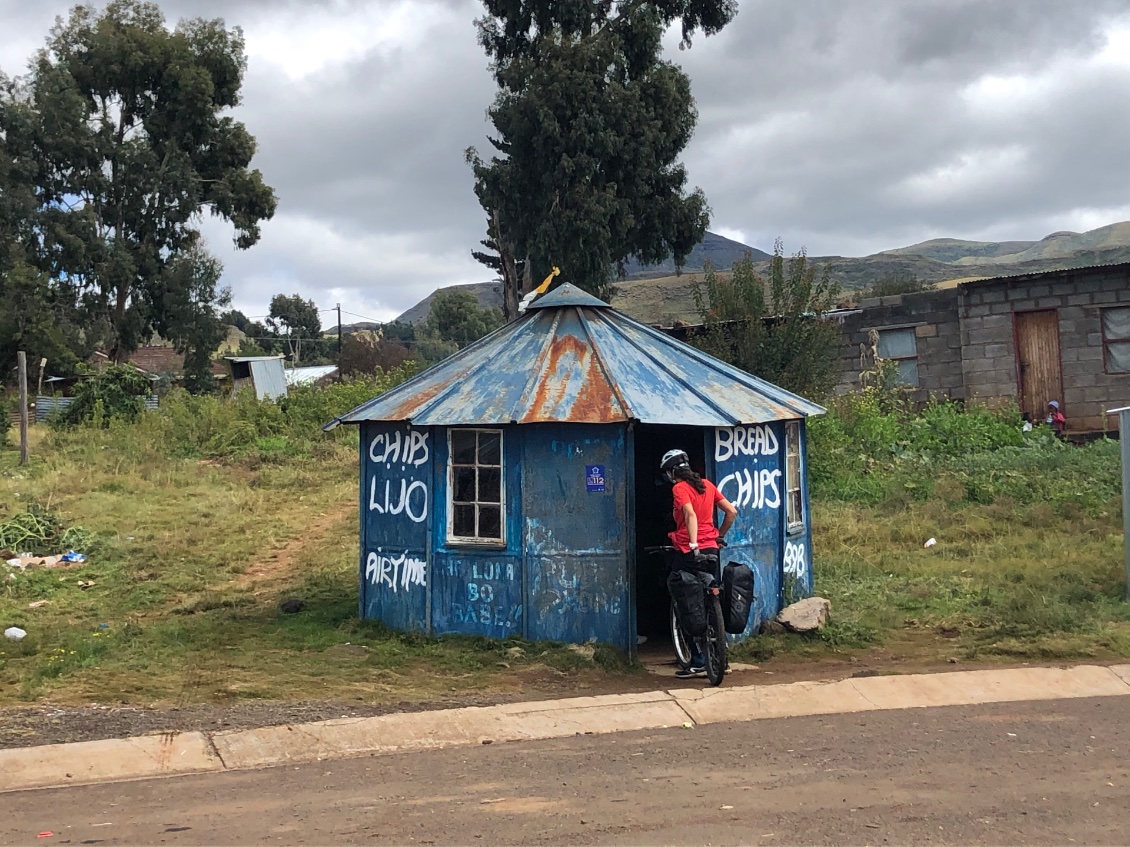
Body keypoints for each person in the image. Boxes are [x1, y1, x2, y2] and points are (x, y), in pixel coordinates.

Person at [660, 449, 738, 678]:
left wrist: (693, 544)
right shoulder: (707, 485)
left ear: (673, 472)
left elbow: (689, 514)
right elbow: (731, 512)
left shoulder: (679, 488)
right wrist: (719, 536)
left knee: (684, 596)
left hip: (688, 550)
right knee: (710, 592)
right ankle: (721, 651)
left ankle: (697, 660)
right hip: (712, 549)